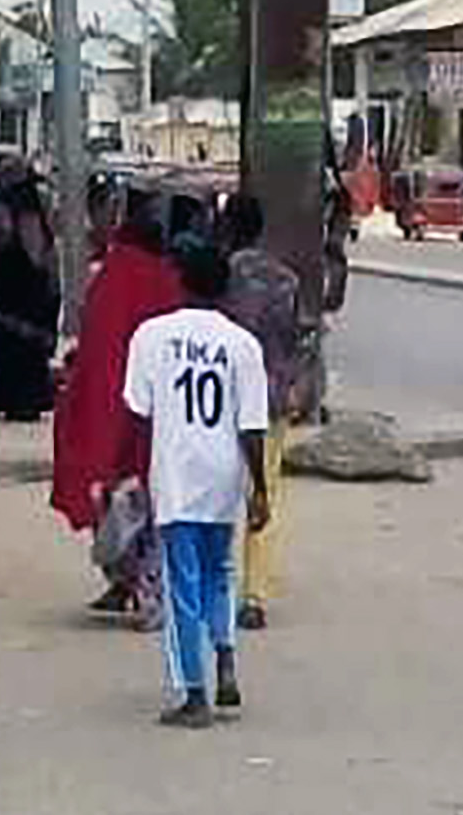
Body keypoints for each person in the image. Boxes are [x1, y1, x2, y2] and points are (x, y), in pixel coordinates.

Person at [122, 236, 270, 728]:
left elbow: (137, 414)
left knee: (181, 583)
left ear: (181, 282)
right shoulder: (243, 345)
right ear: (226, 288)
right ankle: (225, 653)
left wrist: (135, 471)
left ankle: (194, 693)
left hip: (176, 472)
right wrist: (260, 490)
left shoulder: (151, 335)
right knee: (219, 571)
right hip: (224, 472)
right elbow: (252, 426)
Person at [52, 191, 181, 620]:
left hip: (111, 408)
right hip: (151, 412)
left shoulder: (112, 276)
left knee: (111, 500)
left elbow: (98, 345)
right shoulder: (165, 281)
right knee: (143, 503)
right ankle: (135, 586)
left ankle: (132, 585)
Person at [220, 192, 300, 631]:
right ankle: (254, 596)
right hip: (269, 399)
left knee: (217, 491)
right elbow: (291, 342)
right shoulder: (286, 280)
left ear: (228, 227)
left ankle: (213, 580)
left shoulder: (221, 278)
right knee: (264, 491)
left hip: (223, 399)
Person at [0, 169, 61, 422]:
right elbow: (38, 254)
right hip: (19, 293)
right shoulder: (22, 207)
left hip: (4, 292)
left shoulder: (2, 205)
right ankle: (20, 402)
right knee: (17, 350)